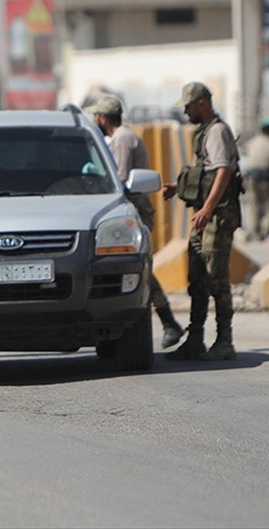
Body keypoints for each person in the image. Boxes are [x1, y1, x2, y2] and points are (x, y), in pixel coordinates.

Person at [88, 94, 185, 349]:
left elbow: (119, 180)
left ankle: (168, 321)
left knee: (138, 269)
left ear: (102, 117)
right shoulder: (123, 136)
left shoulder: (121, 139)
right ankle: (166, 323)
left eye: (95, 116)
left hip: (135, 209)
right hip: (134, 207)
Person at [161, 82, 242, 362]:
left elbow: (223, 171)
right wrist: (176, 186)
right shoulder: (204, 132)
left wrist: (208, 208)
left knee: (217, 278)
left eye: (188, 105)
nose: (184, 111)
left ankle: (225, 341)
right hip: (204, 216)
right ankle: (195, 339)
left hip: (217, 217)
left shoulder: (217, 131)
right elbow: (203, 173)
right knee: (197, 278)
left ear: (203, 104)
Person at [242, 124, 269, 241]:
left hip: (251, 178)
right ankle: (266, 227)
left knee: (255, 205)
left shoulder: (252, 142)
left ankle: (255, 231)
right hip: (266, 177)